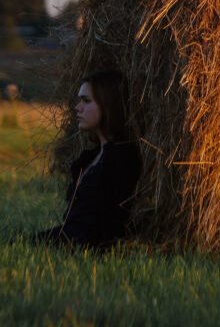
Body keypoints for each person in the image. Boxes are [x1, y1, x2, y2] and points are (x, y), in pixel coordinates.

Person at [36, 70, 142, 248]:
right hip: (70, 238)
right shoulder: (89, 158)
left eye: (86, 101)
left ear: (107, 104)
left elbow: (110, 227)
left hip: (86, 245)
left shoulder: (122, 159)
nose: (78, 107)